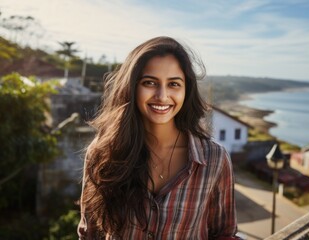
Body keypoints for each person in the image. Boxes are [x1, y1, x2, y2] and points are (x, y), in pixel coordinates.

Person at [78, 36, 239, 239]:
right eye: (149, 82)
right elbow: (89, 233)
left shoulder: (215, 160)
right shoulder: (102, 153)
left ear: (186, 90)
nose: (162, 96)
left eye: (174, 84)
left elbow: (224, 234)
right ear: (132, 87)